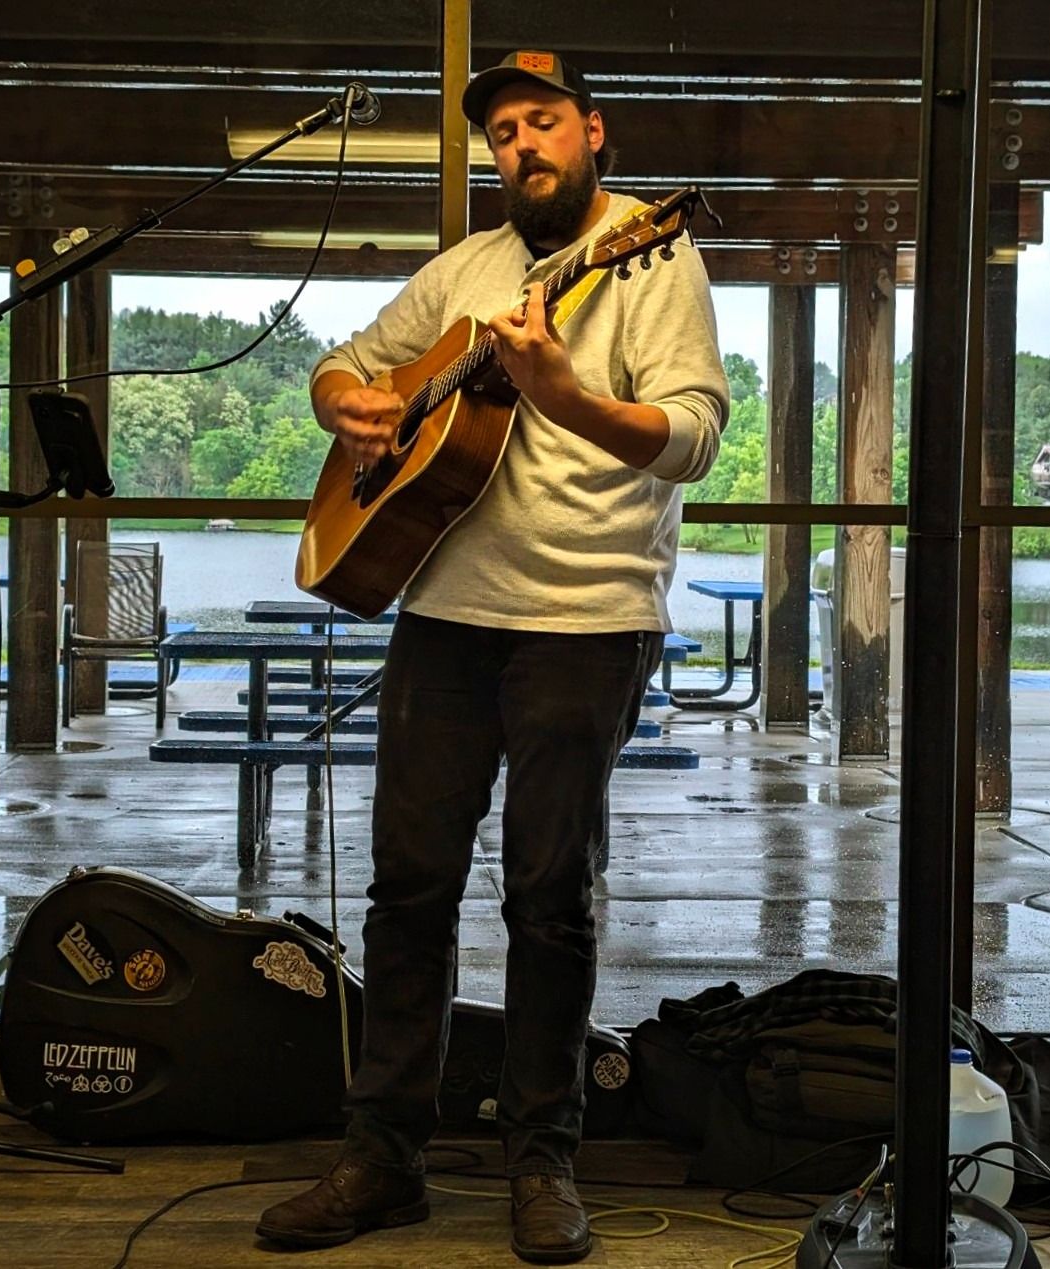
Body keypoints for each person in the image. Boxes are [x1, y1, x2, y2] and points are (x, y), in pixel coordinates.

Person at [257, 49, 729, 1264]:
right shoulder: (467, 268)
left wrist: (560, 394)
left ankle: (541, 1159)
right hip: (446, 611)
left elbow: (690, 439)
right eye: (502, 132)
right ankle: (383, 1159)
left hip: (587, 619)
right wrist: (342, 408)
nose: (520, 145)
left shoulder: (653, 252)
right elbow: (348, 359)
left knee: (546, 900)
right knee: (405, 889)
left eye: (542, 123)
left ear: (593, 133)